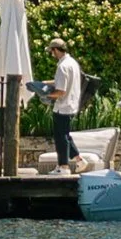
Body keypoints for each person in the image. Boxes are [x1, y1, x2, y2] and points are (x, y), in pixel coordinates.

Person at [44, 38, 84, 174]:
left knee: (60, 138)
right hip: (71, 104)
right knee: (65, 135)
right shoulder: (72, 63)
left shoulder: (62, 67)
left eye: (52, 52)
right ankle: (79, 160)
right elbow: (60, 82)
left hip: (63, 106)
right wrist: (44, 83)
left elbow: (61, 91)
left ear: (55, 50)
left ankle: (63, 167)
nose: (51, 55)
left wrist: (46, 96)